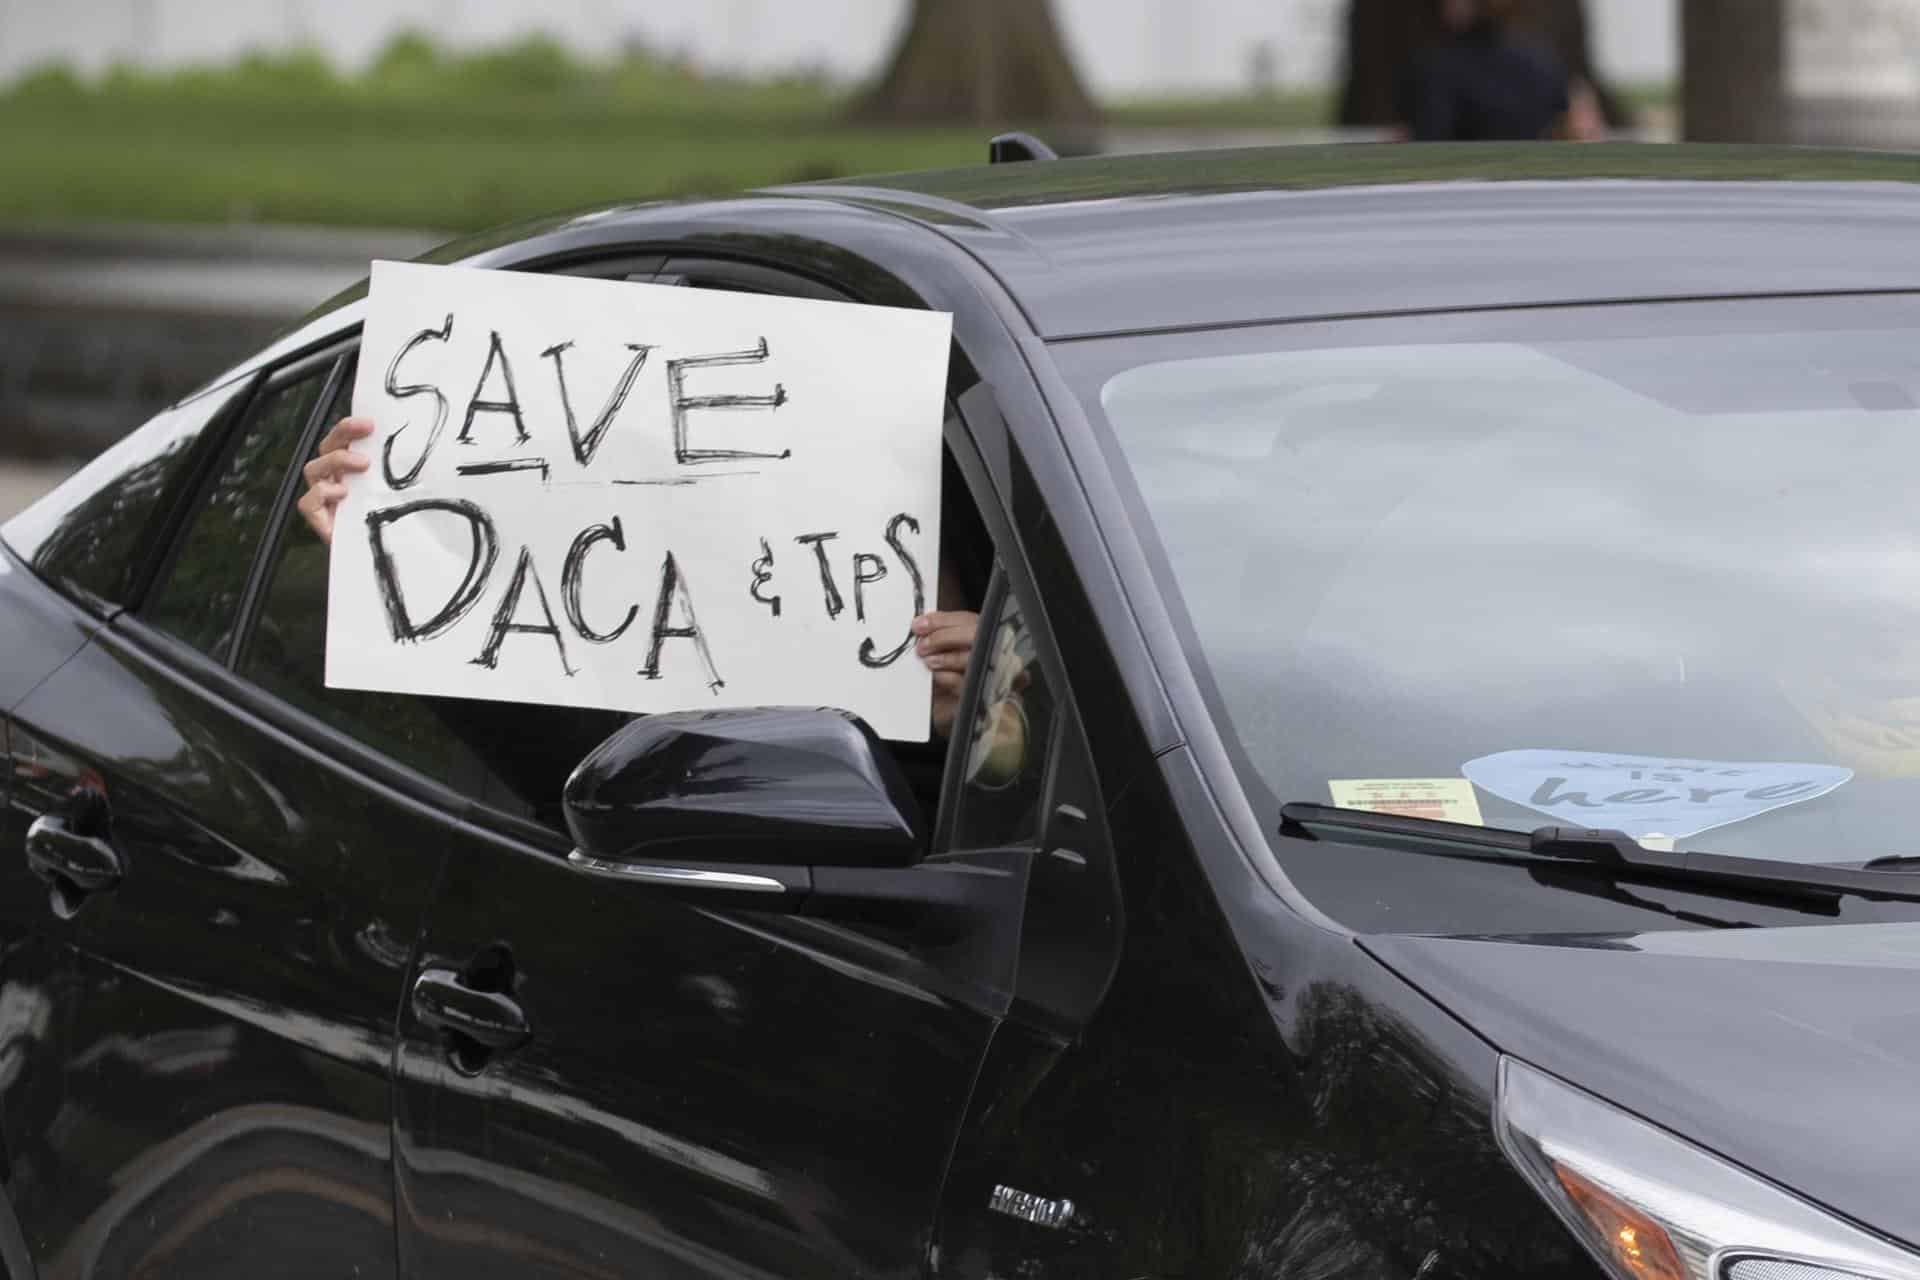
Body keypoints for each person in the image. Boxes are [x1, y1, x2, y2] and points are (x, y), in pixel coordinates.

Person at [299, 416, 983, 739]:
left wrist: (1013, 699)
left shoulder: (1009, 661)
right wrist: (382, 550)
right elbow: (479, 738)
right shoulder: (583, 695)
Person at [1398, 0, 1604, 143]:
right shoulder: (1542, 59)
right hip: (1531, 191)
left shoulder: (1436, 67)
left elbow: (1430, 139)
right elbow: (1574, 124)